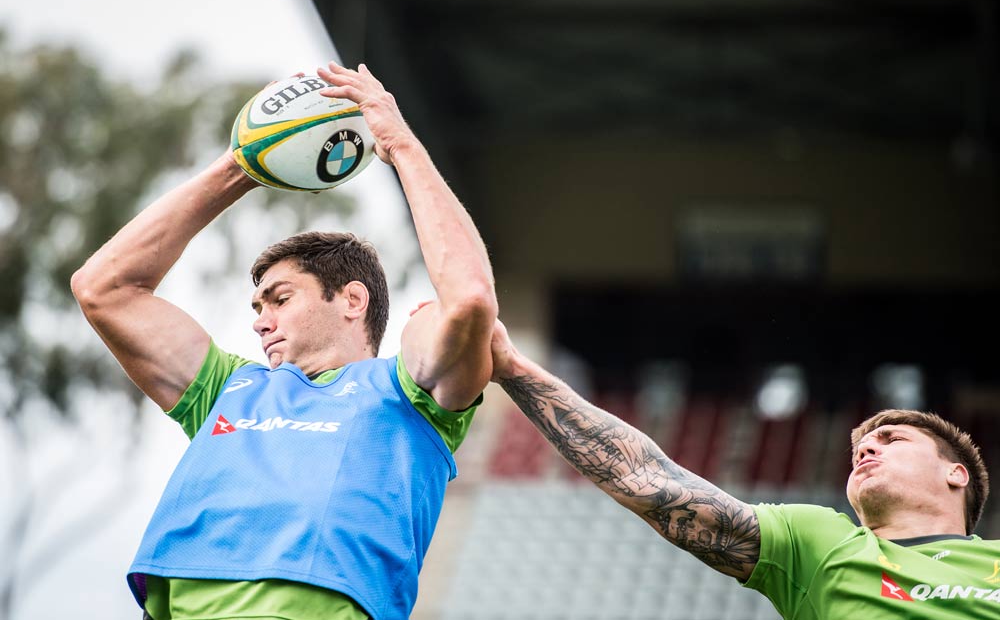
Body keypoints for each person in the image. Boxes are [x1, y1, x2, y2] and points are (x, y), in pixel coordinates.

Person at [70, 62, 498, 620]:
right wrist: (245, 163)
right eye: (257, 306)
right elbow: (102, 288)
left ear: (352, 300)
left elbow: (468, 301)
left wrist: (400, 145)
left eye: (280, 298)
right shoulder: (229, 388)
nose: (259, 320)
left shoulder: (404, 392)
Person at [488, 321, 1000, 618]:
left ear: (956, 474)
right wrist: (514, 369)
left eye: (892, 439)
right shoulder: (821, 543)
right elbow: (649, 479)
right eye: (860, 446)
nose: (866, 449)